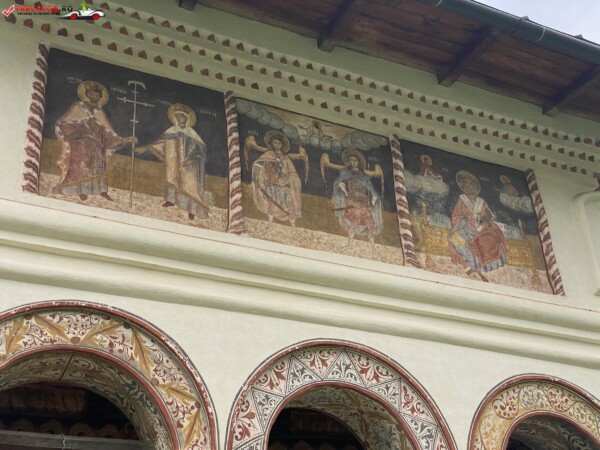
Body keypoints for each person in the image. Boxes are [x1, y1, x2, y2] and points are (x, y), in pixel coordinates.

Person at [53, 81, 135, 201]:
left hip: (97, 145)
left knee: (99, 166)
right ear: (87, 94)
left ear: (100, 97)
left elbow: (107, 130)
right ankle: (81, 190)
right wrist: (81, 132)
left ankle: (101, 190)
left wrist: (123, 139)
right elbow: (64, 123)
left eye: (97, 95)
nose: (94, 97)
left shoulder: (100, 111)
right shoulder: (77, 107)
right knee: (81, 165)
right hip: (80, 144)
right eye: (92, 94)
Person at [138, 103, 210, 220]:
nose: (179, 118)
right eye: (177, 116)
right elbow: (160, 143)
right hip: (174, 162)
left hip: (189, 165)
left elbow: (201, 152)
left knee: (190, 187)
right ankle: (170, 200)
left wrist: (191, 160)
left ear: (186, 118)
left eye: (181, 116)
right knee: (172, 180)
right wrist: (146, 148)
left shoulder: (193, 135)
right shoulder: (171, 131)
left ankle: (192, 210)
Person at [448, 170, 508, 282]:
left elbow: (489, 215)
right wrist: (464, 216)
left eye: (471, 184)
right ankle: (472, 264)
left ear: (476, 186)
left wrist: (483, 218)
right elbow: (455, 215)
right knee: (454, 238)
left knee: (487, 239)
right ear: (463, 187)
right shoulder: (462, 199)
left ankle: (479, 267)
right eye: (466, 185)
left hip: (481, 228)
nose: (469, 187)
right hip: (466, 227)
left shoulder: (481, 201)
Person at [252, 130, 302, 230]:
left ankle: (293, 227)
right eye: (275, 142)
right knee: (271, 203)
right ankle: (270, 225)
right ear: (271, 143)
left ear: (282, 145)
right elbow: (258, 163)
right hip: (272, 184)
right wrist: (257, 178)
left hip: (285, 186)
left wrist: (289, 179)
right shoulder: (269, 154)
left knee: (290, 205)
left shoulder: (285, 158)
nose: (277, 144)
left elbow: (292, 172)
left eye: (279, 143)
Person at [332, 149, 383, 248]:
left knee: (368, 222)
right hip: (352, 199)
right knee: (356, 219)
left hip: (363, 200)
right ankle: (350, 244)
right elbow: (339, 183)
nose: (353, 162)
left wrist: (373, 199)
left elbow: (370, 189)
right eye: (351, 160)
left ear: (358, 162)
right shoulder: (346, 172)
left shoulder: (363, 175)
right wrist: (343, 188)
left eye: (355, 160)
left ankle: (373, 247)